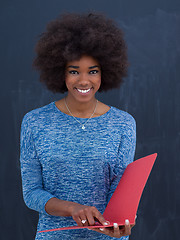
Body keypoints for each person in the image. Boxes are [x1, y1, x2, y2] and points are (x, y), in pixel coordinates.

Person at [20, 12, 136, 240]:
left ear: (105, 72)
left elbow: (121, 192)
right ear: (60, 73)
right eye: (74, 71)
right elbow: (31, 193)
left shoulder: (123, 124)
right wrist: (72, 208)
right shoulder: (35, 121)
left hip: (107, 237)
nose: (84, 81)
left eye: (93, 71)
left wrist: (123, 222)